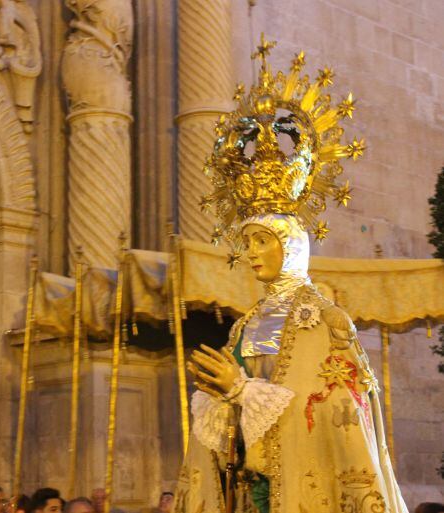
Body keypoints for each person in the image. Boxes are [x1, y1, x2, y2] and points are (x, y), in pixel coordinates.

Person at [174, 38, 407, 513]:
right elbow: (233, 428)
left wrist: (242, 390)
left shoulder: (326, 322)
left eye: (263, 241)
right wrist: (220, 403)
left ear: (293, 245)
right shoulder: (244, 325)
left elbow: (337, 417)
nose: (252, 253)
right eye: (249, 241)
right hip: (246, 494)